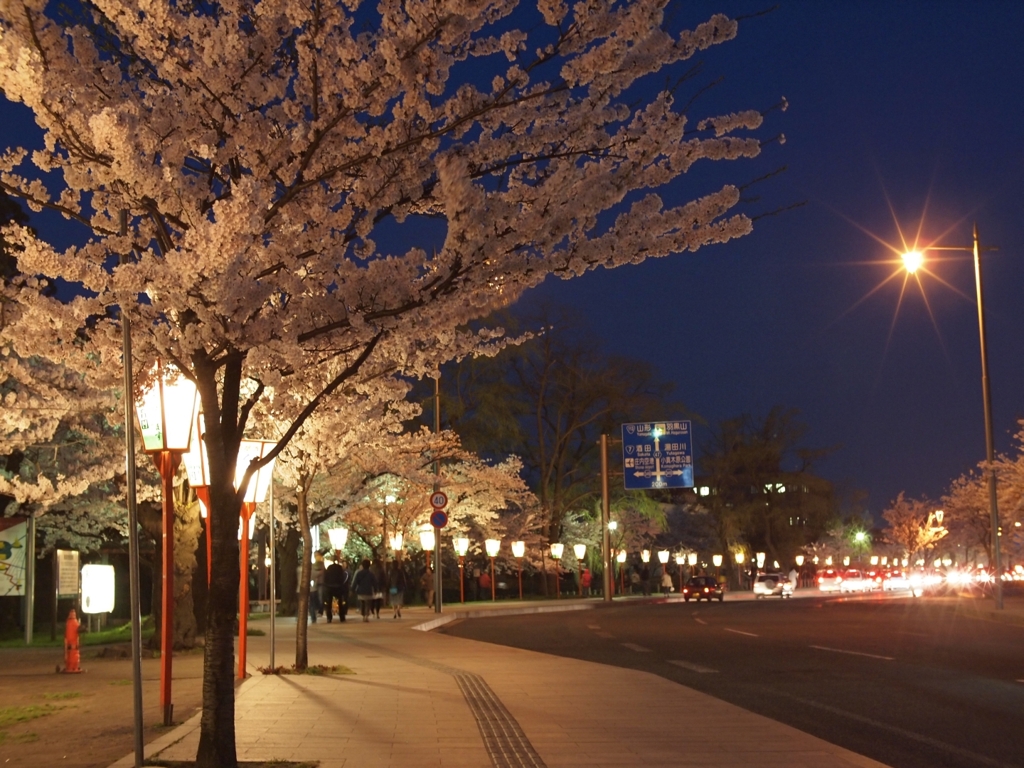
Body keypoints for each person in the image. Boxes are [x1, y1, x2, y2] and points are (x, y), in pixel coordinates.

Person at [323, 555, 349, 623]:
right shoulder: (339, 568)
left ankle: (329, 618)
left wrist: (326, 584)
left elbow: (326, 577)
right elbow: (342, 577)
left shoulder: (329, 567)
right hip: (338, 586)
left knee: (329, 602)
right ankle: (342, 617)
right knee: (340, 602)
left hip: (329, 586)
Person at [308, 551, 325, 622]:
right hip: (315, 583)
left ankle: (320, 611)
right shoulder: (313, 565)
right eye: (315, 555)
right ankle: (315, 611)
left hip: (321, 582)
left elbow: (322, 572)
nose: (316, 556)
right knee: (315, 597)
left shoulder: (322, 564)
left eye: (317, 555)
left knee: (320, 597)